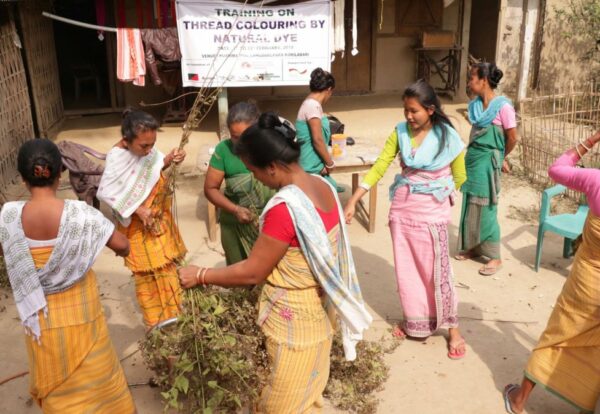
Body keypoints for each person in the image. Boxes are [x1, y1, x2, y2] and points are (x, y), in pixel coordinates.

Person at [178, 113, 372, 413]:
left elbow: (253, 272)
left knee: (280, 403)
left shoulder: (286, 209)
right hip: (320, 316)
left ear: (271, 167)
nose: (255, 178)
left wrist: (201, 274)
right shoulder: (324, 186)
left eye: (254, 171)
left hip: (295, 323)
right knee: (307, 392)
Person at [0, 139, 135, 413]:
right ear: (60, 172)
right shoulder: (81, 215)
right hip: (83, 316)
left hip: (41, 319)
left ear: (23, 178)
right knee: (101, 377)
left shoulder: (8, 218)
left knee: (57, 386)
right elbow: (123, 245)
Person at [344, 80, 467, 359]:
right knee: (407, 270)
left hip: (432, 212)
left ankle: (453, 329)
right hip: (402, 210)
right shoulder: (399, 133)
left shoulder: (448, 137)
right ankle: (416, 322)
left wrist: (453, 190)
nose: (409, 117)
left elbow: (460, 177)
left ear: (430, 110)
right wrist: (353, 200)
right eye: (406, 111)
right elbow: (380, 166)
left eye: (414, 111)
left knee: (438, 270)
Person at [503, 130, 600, 414]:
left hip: (585, 282)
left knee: (556, 335)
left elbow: (557, 169)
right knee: (595, 347)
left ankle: (519, 400)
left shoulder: (595, 180)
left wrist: (589, 141)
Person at [97, 109, 187, 329]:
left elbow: (153, 168)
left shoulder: (148, 152)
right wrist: (138, 209)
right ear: (126, 141)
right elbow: (106, 192)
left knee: (169, 269)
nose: (149, 151)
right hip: (139, 230)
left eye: (152, 144)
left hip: (161, 222)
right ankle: (157, 322)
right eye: (144, 146)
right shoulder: (117, 158)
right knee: (148, 276)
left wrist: (169, 159)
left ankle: (175, 315)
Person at [456, 62, 519, 276]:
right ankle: (473, 247)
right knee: (470, 203)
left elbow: (512, 138)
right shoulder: (474, 106)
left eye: (472, 78)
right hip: (473, 158)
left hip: (488, 161)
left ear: (484, 81)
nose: (469, 82)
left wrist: (501, 157)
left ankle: (495, 256)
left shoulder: (503, 107)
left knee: (487, 206)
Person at [204, 101, 275, 265]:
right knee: (240, 276)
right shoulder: (223, 150)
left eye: (246, 135)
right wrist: (235, 209)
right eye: (235, 137)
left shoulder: (271, 145)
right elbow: (210, 189)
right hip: (235, 226)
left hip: (269, 224)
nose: (240, 142)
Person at [295, 67, 342, 191]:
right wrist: (329, 163)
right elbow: (317, 140)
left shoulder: (311, 104)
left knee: (334, 188)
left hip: (314, 163)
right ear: (329, 90)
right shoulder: (312, 106)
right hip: (309, 166)